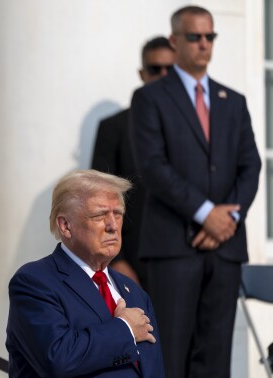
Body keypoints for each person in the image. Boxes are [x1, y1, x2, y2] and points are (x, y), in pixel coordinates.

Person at [130, 6, 261, 378]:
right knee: (169, 355)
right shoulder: (150, 98)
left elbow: (250, 165)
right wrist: (207, 213)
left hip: (226, 248)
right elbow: (153, 167)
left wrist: (229, 219)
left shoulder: (232, 101)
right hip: (173, 248)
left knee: (216, 357)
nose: (204, 44)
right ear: (175, 41)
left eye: (210, 37)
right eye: (194, 37)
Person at [6, 170, 164, 377]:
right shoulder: (34, 282)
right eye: (99, 215)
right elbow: (58, 360)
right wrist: (124, 329)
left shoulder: (135, 293)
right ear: (65, 225)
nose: (113, 226)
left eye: (117, 214)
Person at [91, 36, 175, 286]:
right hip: (134, 261)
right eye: (154, 69)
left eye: (169, 69)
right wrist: (117, 260)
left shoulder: (198, 125)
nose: (162, 74)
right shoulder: (113, 128)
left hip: (187, 260)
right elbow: (100, 199)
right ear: (142, 73)